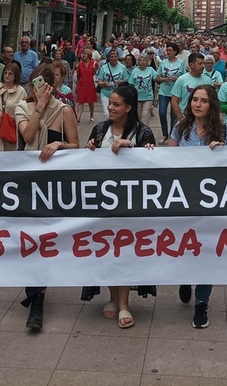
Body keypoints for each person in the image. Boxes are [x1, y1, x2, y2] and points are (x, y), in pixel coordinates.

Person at [87, 83, 156, 329]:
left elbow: (153, 164)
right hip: (102, 203)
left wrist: (132, 147)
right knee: (107, 248)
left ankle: (124, 304)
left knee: (125, 250)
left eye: (116, 104)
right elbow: (86, 160)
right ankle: (113, 297)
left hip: (131, 204)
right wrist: (90, 149)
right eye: (110, 103)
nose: (111, 108)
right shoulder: (99, 129)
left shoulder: (143, 131)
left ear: (128, 108)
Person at [16, 65, 80, 330]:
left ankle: (37, 296)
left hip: (54, 187)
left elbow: (76, 145)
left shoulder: (65, 111)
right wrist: (39, 107)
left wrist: (59, 144)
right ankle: (36, 291)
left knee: (45, 238)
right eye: (34, 84)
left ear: (52, 86)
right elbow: (28, 136)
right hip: (27, 185)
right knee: (30, 237)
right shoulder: (21, 107)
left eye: (42, 85)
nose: (37, 89)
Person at [165, 84, 227, 329]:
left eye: (204, 101)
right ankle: (186, 278)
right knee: (185, 246)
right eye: (195, 99)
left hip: (211, 206)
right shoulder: (180, 128)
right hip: (183, 201)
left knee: (207, 252)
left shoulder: (225, 131)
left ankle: (202, 302)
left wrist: (223, 154)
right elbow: (167, 161)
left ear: (212, 105)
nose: (198, 104)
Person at [156, 43, 186, 138]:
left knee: (174, 115)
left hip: (175, 92)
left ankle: (172, 135)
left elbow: (184, 77)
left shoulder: (181, 63)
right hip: (164, 91)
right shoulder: (163, 62)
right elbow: (157, 77)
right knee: (162, 112)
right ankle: (164, 134)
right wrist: (164, 79)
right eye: (167, 50)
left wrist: (176, 79)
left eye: (170, 50)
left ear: (175, 52)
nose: (168, 52)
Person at [170, 52, 208, 122]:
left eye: (203, 63)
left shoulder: (208, 81)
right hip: (186, 117)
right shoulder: (182, 80)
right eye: (200, 64)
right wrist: (180, 118)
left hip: (203, 120)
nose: (203, 66)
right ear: (191, 65)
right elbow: (174, 101)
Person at [95, 49, 127, 117]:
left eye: (115, 56)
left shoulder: (122, 67)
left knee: (116, 113)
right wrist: (104, 83)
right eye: (112, 56)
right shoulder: (104, 67)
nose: (114, 58)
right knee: (106, 114)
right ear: (109, 58)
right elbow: (99, 81)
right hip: (105, 93)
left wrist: (120, 82)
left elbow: (127, 81)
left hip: (118, 94)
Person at [129, 53, 158, 122]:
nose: (142, 62)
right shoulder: (135, 71)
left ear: (147, 61)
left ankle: (144, 131)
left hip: (148, 97)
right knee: (138, 116)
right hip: (137, 97)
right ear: (138, 62)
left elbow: (157, 78)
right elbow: (131, 84)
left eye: (144, 60)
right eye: (140, 60)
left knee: (145, 115)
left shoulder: (150, 69)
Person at [75, 47, 98, 123]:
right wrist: (77, 87)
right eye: (83, 53)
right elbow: (78, 76)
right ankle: (78, 118)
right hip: (82, 85)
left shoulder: (93, 63)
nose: (83, 55)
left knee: (90, 102)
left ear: (89, 55)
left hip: (90, 85)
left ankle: (91, 115)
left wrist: (94, 69)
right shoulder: (80, 64)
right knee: (80, 102)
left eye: (85, 53)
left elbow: (95, 74)